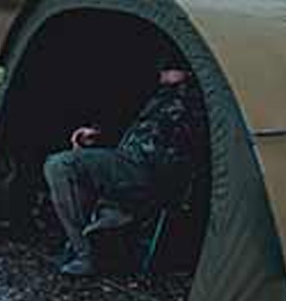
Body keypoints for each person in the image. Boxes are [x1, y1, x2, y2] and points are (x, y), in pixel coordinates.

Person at [42, 51, 204, 277]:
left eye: (170, 68)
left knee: (61, 165)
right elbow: (137, 127)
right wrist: (97, 133)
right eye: (164, 68)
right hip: (131, 164)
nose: (163, 73)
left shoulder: (193, 97)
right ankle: (93, 241)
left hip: (149, 172)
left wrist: (185, 81)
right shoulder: (161, 96)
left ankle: (87, 254)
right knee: (70, 167)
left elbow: (182, 143)